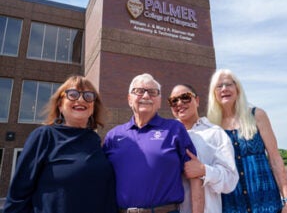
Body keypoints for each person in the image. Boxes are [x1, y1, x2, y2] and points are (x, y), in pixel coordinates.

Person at [4, 75, 118, 213]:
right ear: (60, 104)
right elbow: (17, 196)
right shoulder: (44, 136)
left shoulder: (94, 140)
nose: (81, 99)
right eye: (73, 94)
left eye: (88, 95)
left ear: (93, 106)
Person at [103, 73, 204, 213]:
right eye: (139, 91)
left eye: (152, 92)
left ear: (159, 101)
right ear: (129, 99)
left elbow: (195, 176)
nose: (145, 96)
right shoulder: (113, 136)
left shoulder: (175, 129)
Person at [207, 69, 287, 213]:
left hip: (266, 201)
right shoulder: (211, 126)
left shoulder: (257, 115)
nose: (224, 89)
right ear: (214, 93)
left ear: (237, 89)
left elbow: (275, 159)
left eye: (229, 84)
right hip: (232, 204)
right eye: (219, 86)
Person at [168, 84, 239, 213]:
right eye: (174, 101)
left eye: (185, 97)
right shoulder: (166, 136)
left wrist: (204, 170)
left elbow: (230, 181)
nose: (179, 103)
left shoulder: (216, 133)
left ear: (197, 100)